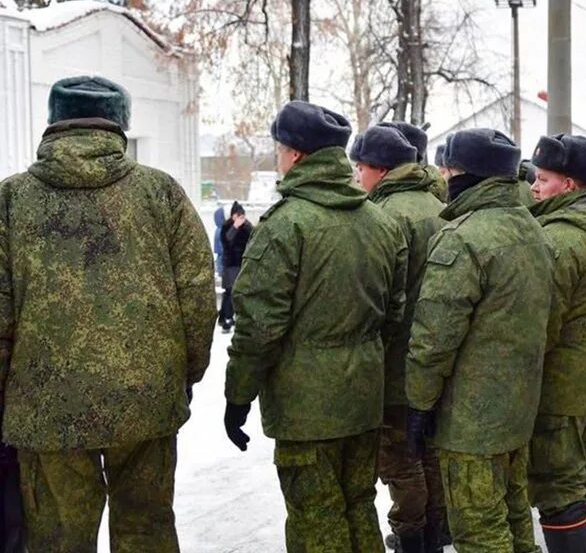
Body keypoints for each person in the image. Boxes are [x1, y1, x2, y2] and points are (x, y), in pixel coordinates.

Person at [0, 76, 215, 551]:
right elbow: (198, 295)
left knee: (58, 537)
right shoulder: (160, 194)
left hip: (46, 405)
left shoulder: (11, 200)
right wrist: (185, 375)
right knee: (146, 529)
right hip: (145, 398)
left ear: (53, 123)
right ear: (121, 125)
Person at [223, 101, 408, 553]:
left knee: (315, 517)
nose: (278, 159)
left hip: (306, 407)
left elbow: (258, 325)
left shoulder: (286, 225)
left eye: (280, 150)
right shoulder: (380, 222)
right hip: (364, 395)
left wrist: (238, 395)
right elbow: (394, 313)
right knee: (359, 505)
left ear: (297, 156)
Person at [405, 128, 553, 553]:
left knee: (478, 531)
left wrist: (419, 403)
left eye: (449, 169)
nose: (444, 176)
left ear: (466, 175)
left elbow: (433, 339)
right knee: (513, 514)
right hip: (519, 404)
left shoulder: (462, 238)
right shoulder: (532, 229)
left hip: (470, 420)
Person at [350, 123, 450, 553]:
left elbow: (379, 296)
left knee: (399, 458)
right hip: (436, 355)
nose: (357, 177)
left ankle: (413, 538)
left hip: (396, 361)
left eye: (361, 168)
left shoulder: (385, 216)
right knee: (428, 451)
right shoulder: (438, 206)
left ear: (379, 170)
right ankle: (435, 532)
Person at [527, 134, 586, 553]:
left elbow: (545, 324)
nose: (533, 186)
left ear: (568, 185)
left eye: (543, 178)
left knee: (557, 482)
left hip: (561, 380)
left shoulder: (561, 238)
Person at [218, 201, 253, 333]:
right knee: (230, 292)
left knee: (242, 292)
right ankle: (227, 318)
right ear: (233, 216)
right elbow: (227, 240)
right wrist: (235, 227)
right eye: (238, 216)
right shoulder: (227, 227)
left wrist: (245, 225)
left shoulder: (247, 227)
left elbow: (253, 237)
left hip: (243, 263)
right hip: (231, 264)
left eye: (242, 216)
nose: (240, 219)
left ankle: (238, 318)